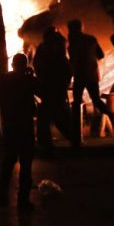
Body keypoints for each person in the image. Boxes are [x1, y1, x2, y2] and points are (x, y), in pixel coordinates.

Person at [0, 53, 39, 211]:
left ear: (12, 65)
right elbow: (41, 90)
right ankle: (23, 200)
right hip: (25, 127)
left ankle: (2, 198)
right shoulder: (28, 80)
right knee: (25, 166)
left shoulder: (2, 79)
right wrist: (30, 75)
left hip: (10, 127)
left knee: (8, 163)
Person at [67, 19, 111, 145]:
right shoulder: (91, 39)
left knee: (76, 101)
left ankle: (75, 130)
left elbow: (72, 61)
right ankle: (113, 117)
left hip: (79, 75)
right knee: (96, 99)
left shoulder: (72, 43)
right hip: (92, 75)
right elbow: (101, 55)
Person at [33, 26, 73, 154]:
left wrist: (40, 79)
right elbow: (66, 66)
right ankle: (70, 137)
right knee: (55, 111)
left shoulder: (44, 48)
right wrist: (66, 81)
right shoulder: (59, 46)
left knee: (50, 113)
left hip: (48, 84)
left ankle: (47, 141)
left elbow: (37, 64)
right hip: (57, 84)